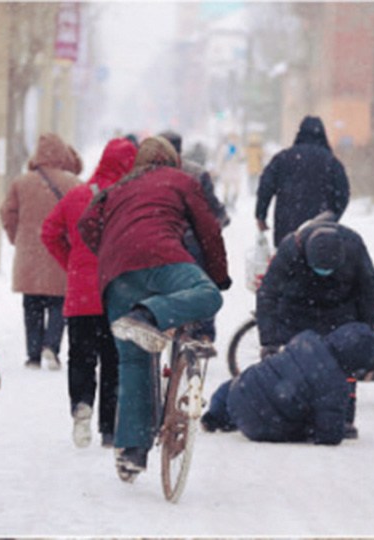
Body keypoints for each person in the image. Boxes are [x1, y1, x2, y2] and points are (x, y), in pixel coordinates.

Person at [78, 136, 231, 482]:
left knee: (132, 361)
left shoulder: (117, 187)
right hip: (164, 260)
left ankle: (131, 451)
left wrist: (113, 251)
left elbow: (86, 224)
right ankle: (149, 314)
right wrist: (218, 276)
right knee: (207, 294)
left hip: (117, 277)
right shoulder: (181, 181)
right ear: (172, 161)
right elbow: (209, 231)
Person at [41, 138, 138, 449]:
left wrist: (71, 263)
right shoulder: (130, 200)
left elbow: (49, 232)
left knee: (80, 356)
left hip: (82, 292)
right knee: (113, 359)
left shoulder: (78, 195)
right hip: (118, 293)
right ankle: (109, 428)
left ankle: (81, 407)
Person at [255, 215, 374, 438]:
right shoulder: (290, 249)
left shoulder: (354, 246)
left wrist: (364, 333)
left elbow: (368, 290)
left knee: (342, 365)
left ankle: (342, 419)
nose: (324, 275)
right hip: (296, 311)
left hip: (339, 311)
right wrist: (269, 340)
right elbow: (268, 294)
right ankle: (298, 417)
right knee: (298, 367)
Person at [201, 323, 374, 444]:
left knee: (252, 380)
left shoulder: (306, 339)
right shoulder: (336, 385)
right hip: (261, 427)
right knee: (289, 414)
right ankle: (245, 419)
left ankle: (214, 416)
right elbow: (328, 434)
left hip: (238, 392)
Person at [0, 133, 81, 370]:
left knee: (32, 303)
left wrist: (17, 237)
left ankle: (33, 354)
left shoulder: (21, 182)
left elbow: (7, 212)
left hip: (30, 250)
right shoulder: (73, 183)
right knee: (59, 301)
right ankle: (51, 347)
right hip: (60, 250)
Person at [158, 130, 229, 343]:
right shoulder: (197, 173)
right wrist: (221, 219)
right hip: (192, 241)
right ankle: (205, 334)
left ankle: (160, 322)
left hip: (160, 242)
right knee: (203, 284)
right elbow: (212, 209)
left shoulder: (149, 174)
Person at [255, 115, 350, 247]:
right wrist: (332, 218)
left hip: (287, 229)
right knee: (318, 262)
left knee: (286, 264)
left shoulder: (282, 159)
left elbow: (265, 186)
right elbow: (343, 194)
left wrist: (261, 215)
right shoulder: (331, 163)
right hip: (320, 232)